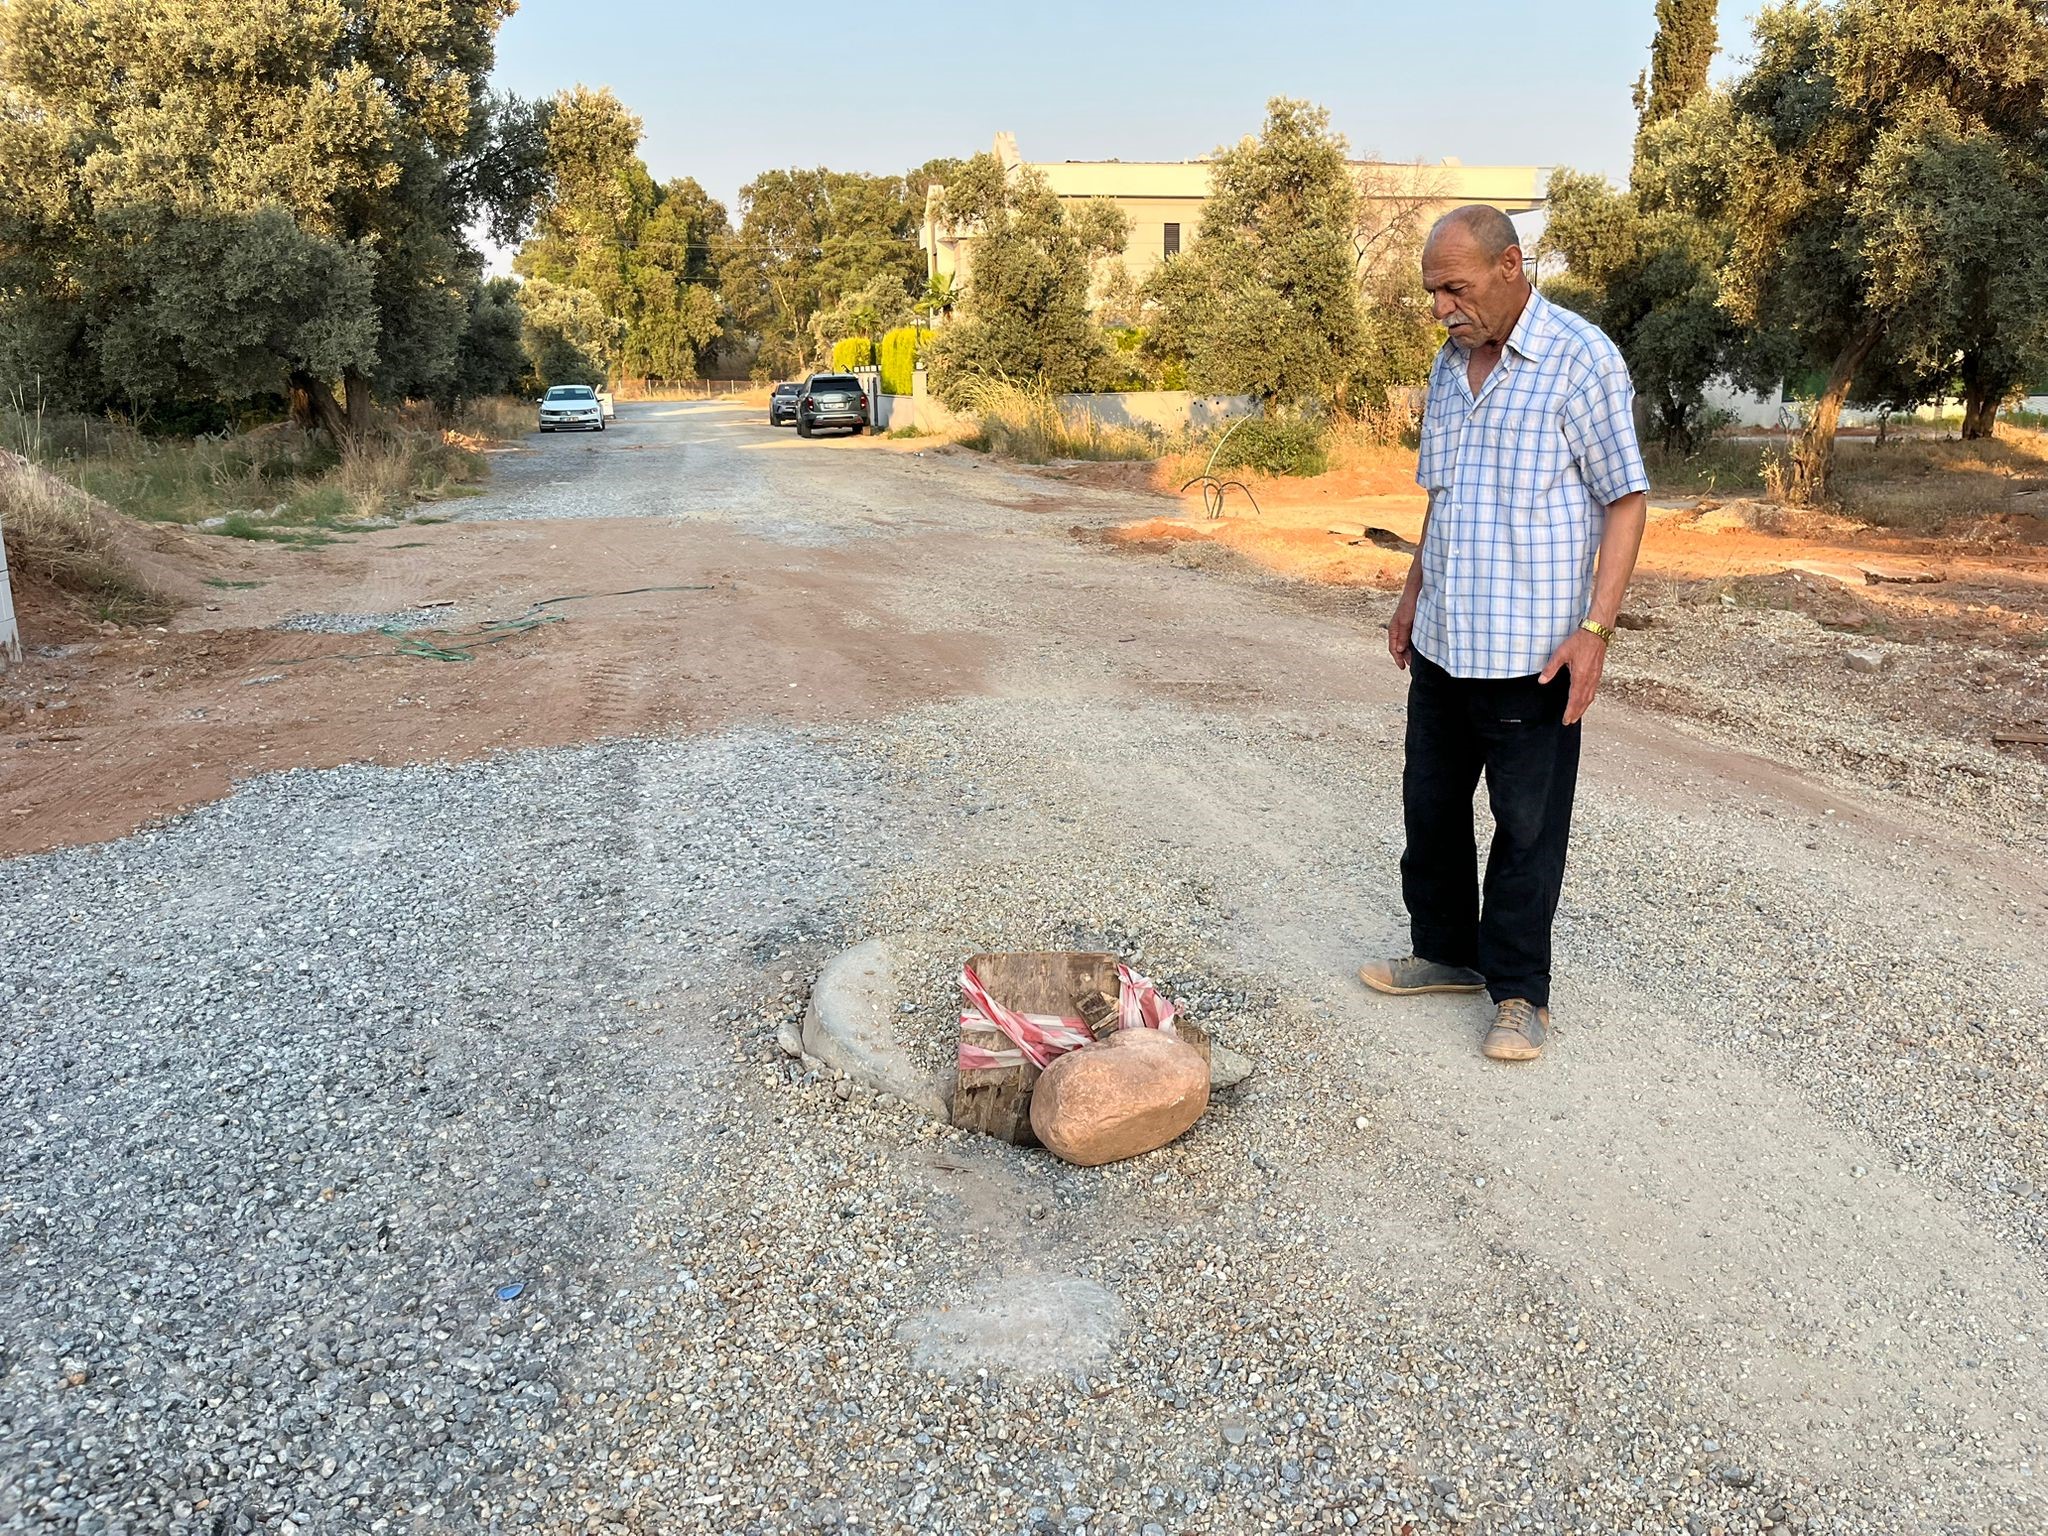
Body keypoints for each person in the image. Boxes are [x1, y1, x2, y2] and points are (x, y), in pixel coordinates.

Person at [1358, 205, 1649, 1063]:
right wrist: (1413, 594)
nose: (1442, 307)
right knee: (1432, 811)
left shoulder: (1581, 359)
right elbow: (1441, 497)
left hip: (1535, 653)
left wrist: (1597, 629)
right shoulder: (1449, 370)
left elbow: (1626, 500)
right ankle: (1445, 953)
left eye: (1455, 287)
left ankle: (1520, 992)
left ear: (1512, 265)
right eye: (1432, 293)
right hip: (1447, 639)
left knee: (1527, 831)